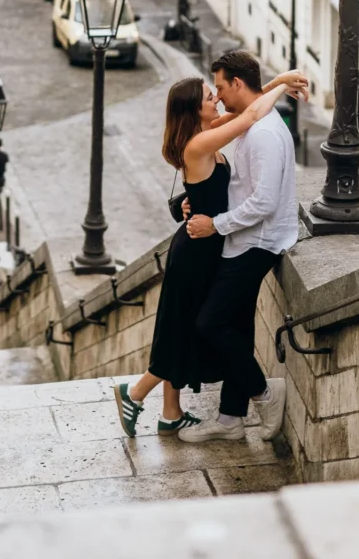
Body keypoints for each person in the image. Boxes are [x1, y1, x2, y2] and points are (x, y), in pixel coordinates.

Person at [113, 67, 307, 439]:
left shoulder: (206, 133)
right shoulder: (199, 144)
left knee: (183, 326)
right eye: (208, 96)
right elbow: (251, 114)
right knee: (184, 328)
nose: (215, 99)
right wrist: (283, 83)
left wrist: (272, 85)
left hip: (208, 245)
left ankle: (171, 412)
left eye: (216, 91)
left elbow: (246, 105)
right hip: (196, 253)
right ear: (194, 111)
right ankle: (134, 393)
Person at [177, 51, 301, 445]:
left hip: (257, 242)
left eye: (220, 86)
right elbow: (242, 185)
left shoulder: (263, 133)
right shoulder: (253, 121)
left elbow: (263, 203)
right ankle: (231, 419)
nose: (217, 94)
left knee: (209, 323)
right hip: (244, 238)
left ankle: (264, 393)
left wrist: (216, 224)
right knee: (236, 326)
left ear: (237, 84)